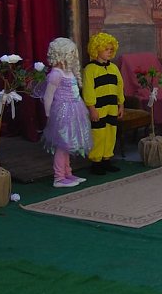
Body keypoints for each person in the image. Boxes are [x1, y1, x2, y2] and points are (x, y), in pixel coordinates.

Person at [41, 38, 92, 188]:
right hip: (62, 112)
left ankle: (67, 173)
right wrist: (49, 114)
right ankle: (58, 177)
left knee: (68, 144)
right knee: (62, 145)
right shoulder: (56, 74)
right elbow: (48, 95)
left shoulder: (68, 72)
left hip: (75, 110)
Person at [82, 32, 124, 175]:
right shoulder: (90, 69)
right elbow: (88, 90)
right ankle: (96, 162)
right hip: (98, 108)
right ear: (96, 49)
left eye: (111, 49)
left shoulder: (114, 68)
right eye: (106, 49)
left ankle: (107, 159)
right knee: (98, 134)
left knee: (111, 132)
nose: (109, 52)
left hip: (112, 106)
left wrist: (121, 104)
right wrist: (91, 108)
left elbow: (119, 86)